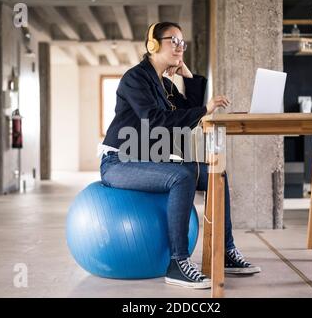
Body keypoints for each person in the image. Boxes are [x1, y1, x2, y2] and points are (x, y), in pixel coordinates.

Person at [99, 22, 261, 289]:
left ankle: (227, 251)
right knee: (182, 176)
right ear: (152, 44)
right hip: (119, 162)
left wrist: (187, 76)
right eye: (172, 40)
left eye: (182, 42)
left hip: (148, 159)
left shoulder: (164, 84)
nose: (179, 46)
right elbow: (155, 119)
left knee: (214, 174)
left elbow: (189, 113)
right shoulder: (135, 78)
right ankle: (177, 263)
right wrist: (204, 110)